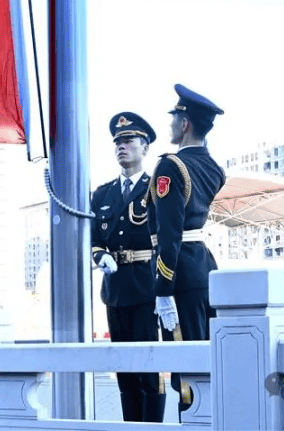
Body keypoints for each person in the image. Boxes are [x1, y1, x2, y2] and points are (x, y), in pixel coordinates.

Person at [147, 84, 226, 419]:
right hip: (204, 268)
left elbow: (169, 233)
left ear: (186, 124)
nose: (170, 124)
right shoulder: (214, 168)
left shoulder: (171, 167)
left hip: (178, 273)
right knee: (204, 362)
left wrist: (163, 290)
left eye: (175, 117)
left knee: (185, 372)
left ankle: (192, 424)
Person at [91, 112, 164, 423]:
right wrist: (99, 257)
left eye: (129, 141)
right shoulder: (103, 194)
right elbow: (93, 240)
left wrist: (165, 289)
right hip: (115, 291)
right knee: (124, 370)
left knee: (148, 369)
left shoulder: (156, 189)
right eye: (117, 142)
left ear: (144, 147)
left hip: (146, 287)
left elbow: (165, 240)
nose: (122, 146)